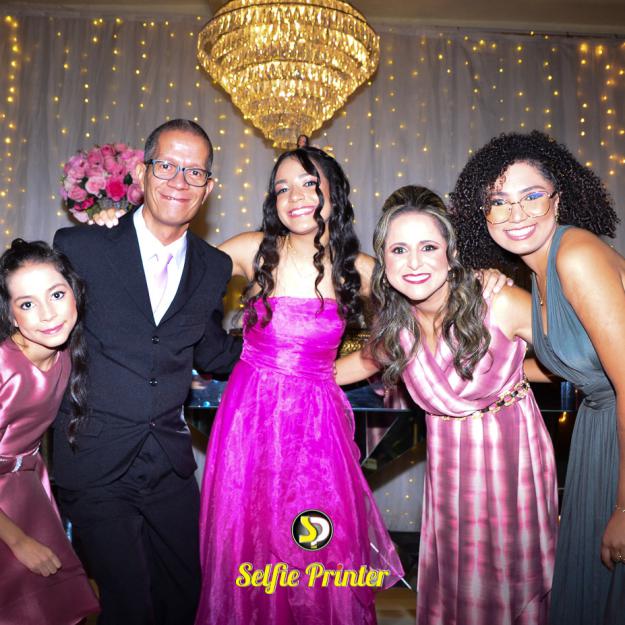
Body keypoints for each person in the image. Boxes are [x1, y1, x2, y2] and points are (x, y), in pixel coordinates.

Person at [190, 146, 403, 625]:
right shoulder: (251, 249)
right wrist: (219, 355)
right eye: (282, 188)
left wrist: (329, 373)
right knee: (248, 533)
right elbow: (181, 285)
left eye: (309, 183)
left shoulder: (361, 269)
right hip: (249, 417)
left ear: (334, 193)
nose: (295, 196)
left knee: (317, 539)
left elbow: (400, 334)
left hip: (317, 424)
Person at [336, 188, 559, 625]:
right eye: (399, 250)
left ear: (451, 253)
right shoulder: (397, 330)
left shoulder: (498, 302)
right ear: (383, 263)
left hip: (512, 465)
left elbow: (582, 360)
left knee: (513, 586)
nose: (413, 263)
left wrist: (513, 373)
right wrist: (271, 370)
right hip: (450, 476)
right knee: (461, 585)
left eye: (428, 247)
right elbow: (346, 368)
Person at [52, 119, 242, 625]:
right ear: (141, 172)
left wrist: (292, 347)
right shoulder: (82, 247)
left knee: (187, 594)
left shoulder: (214, 266)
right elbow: (34, 325)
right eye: (167, 166)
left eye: (195, 171)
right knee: (130, 604)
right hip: (94, 459)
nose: (180, 181)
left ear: (208, 187)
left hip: (168, 466)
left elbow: (212, 351)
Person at [450, 130, 625, 625]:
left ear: (558, 199)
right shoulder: (538, 271)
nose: (516, 214)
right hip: (599, 435)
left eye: (531, 196)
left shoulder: (576, 255)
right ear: (483, 216)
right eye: (498, 202)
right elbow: (567, 362)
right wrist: (476, 384)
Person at [0, 239, 99, 624]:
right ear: (11, 316)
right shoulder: (4, 366)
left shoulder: (66, 355)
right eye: (27, 304)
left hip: (29, 492)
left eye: (56, 294)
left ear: (75, 293)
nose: (47, 313)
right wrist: (18, 540)